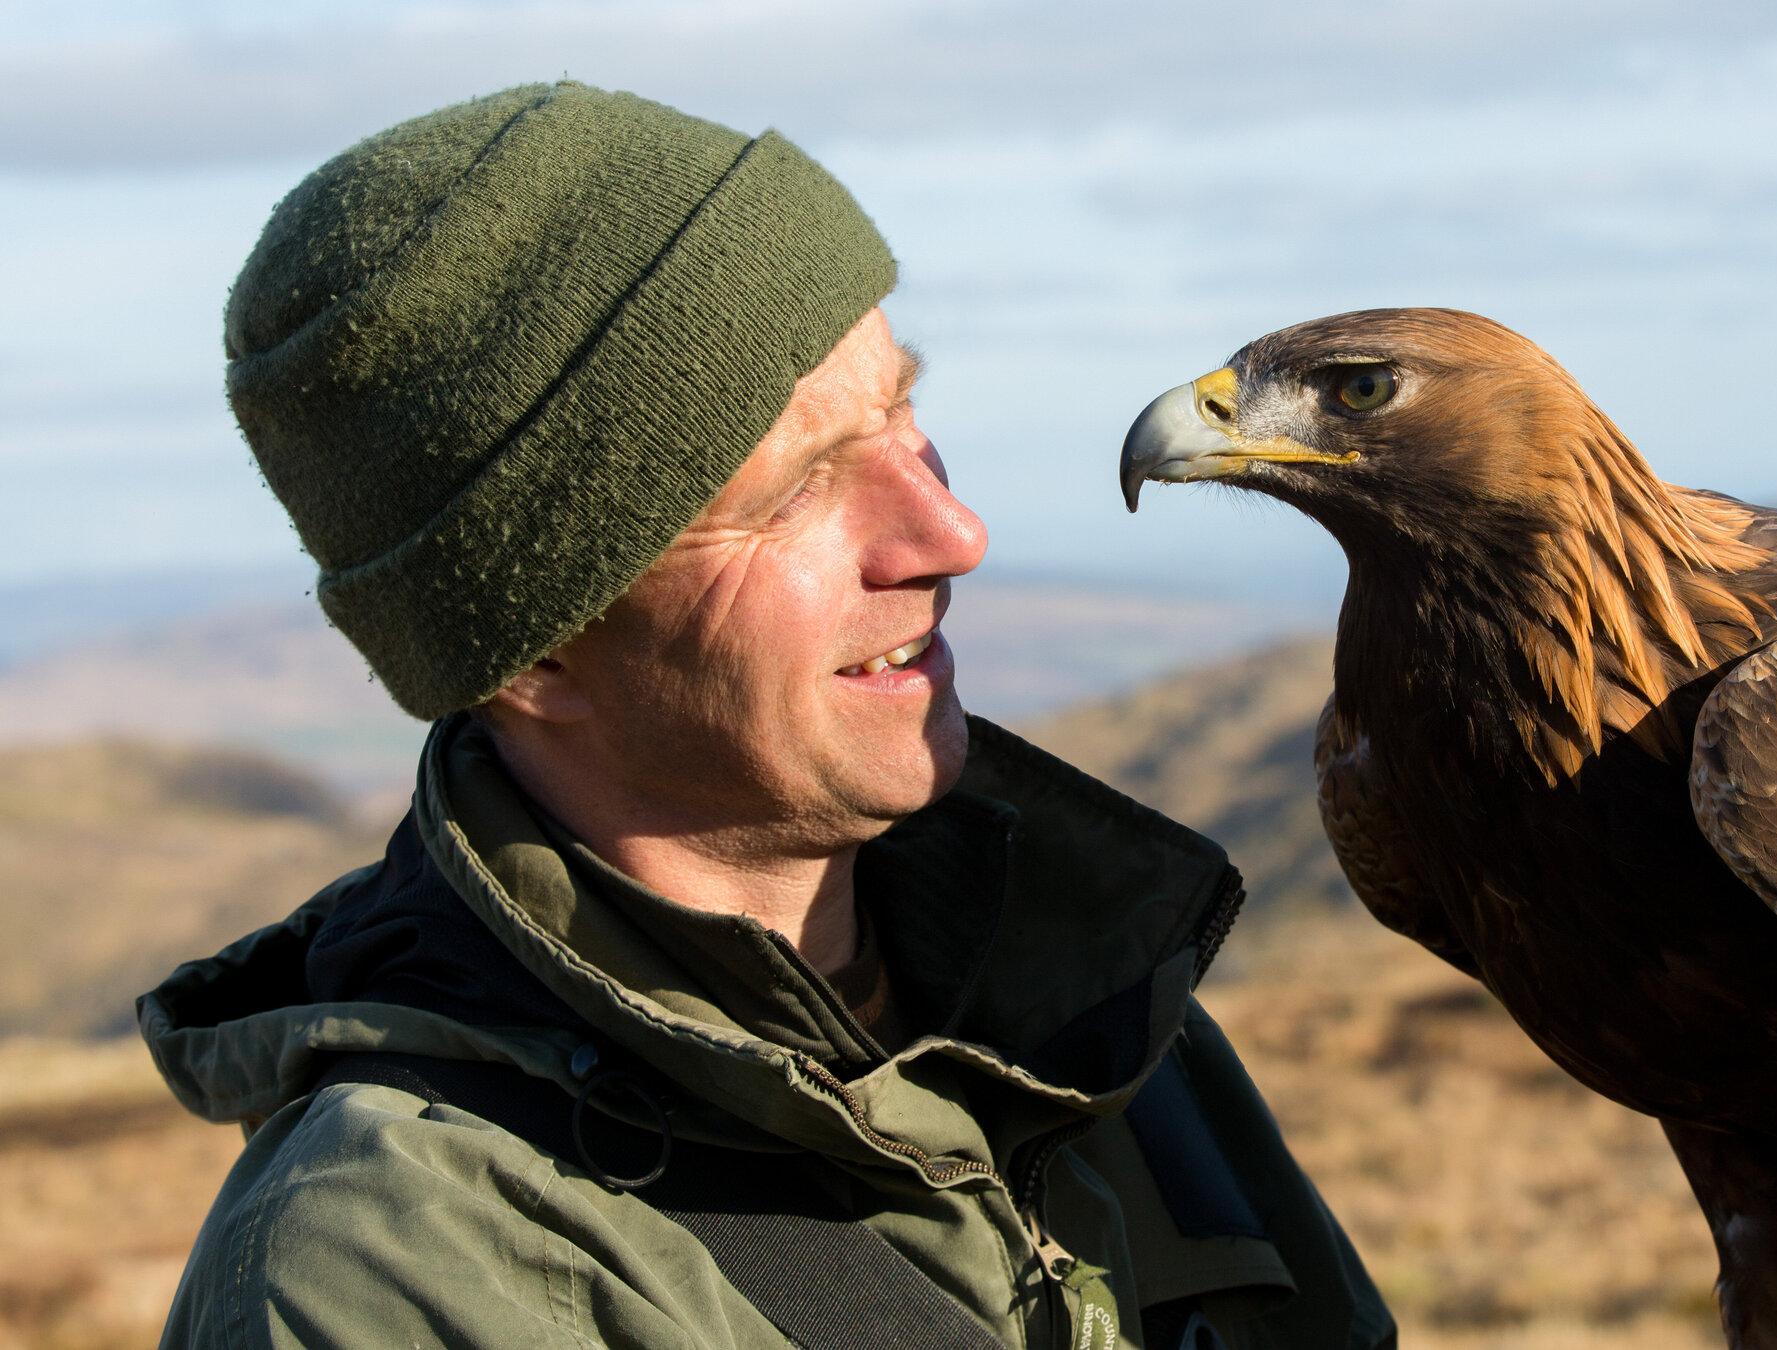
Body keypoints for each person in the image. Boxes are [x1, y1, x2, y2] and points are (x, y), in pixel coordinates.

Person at [140, 82, 1393, 1350]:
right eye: (795, 489)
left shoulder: (1097, 1027)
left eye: (899, 408)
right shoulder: (380, 1276)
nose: (949, 535)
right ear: (537, 657)